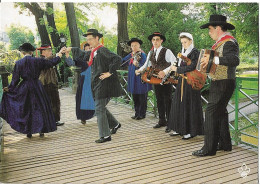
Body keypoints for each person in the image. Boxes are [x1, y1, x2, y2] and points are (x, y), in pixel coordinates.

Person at [192, 14, 239, 156]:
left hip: (224, 82)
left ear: (218, 28)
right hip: (220, 82)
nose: (209, 32)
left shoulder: (229, 42)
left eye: (210, 29)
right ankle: (225, 144)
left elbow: (234, 60)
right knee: (221, 113)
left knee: (211, 114)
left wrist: (214, 60)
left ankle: (209, 149)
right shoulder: (221, 43)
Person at [66, 29, 123, 143]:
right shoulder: (93, 52)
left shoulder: (102, 50)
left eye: (91, 39)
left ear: (97, 38)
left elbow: (117, 58)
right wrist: (70, 50)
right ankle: (115, 124)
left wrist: (110, 72)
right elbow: (83, 54)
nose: (89, 41)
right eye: (87, 40)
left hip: (105, 84)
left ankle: (106, 136)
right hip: (97, 84)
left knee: (99, 108)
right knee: (99, 107)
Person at [0, 43, 65, 138]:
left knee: (27, 109)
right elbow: (51, 63)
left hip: (24, 88)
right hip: (37, 86)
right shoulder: (37, 60)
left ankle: (28, 132)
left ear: (22, 52)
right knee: (40, 107)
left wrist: (9, 89)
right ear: (31, 52)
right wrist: (59, 55)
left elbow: (15, 80)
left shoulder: (18, 63)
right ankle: (41, 130)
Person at [163, 32, 204, 139]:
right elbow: (178, 64)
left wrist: (177, 69)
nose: (184, 45)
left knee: (190, 105)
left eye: (185, 42)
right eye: (182, 43)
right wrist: (172, 69)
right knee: (179, 104)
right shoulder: (184, 52)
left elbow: (193, 66)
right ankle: (180, 129)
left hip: (191, 82)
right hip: (182, 81)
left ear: (191, 41)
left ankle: (191, 131)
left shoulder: (195, 52)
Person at [135, 32, 177, 133]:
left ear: (161, 40)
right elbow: (146, 65)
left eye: (157, 39)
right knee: (159, 100)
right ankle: (162, 120)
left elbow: (175, 62)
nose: (155, 41)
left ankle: (171, 123)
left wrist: (165, 71)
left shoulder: (167, 51)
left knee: (168, 101)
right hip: (155, 79)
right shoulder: (151, 53)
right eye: (153, 40)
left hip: (166, 80)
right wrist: (139, 70)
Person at [121, 38, 152, 120]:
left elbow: (145, 67)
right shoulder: (131, 55)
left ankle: (142, 114)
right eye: (132, 46)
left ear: (139, 46)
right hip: (133, 79)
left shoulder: (143, 55)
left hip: (140, 79)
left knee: (142, 97)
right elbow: (123, 61)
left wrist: (137, 64)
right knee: (135, 97)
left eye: (135, 45)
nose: (134, 47)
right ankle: (137, 113)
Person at [65, 43, 95, 124]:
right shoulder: (81, 59)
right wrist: (67, 55)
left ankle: (100, 115)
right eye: (87, 48)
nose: (89, 49)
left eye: (90, 48)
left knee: (96, 97)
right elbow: (71, 63)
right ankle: (83, 117)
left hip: (95, 80)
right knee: (82, 98)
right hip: (85, 80)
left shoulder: (96, 57)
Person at [38, 44, 64, 126]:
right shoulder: (41, 60)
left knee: (55, 102)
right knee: (49, 103)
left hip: (51, 83)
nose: (50, 52)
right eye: (49, 50)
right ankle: (51, 121)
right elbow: (51, 62)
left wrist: (59, 54)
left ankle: (55, 120)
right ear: (43, 51)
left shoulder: (46, 59)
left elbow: (52, 59)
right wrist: (58, 55)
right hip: (46, 84)